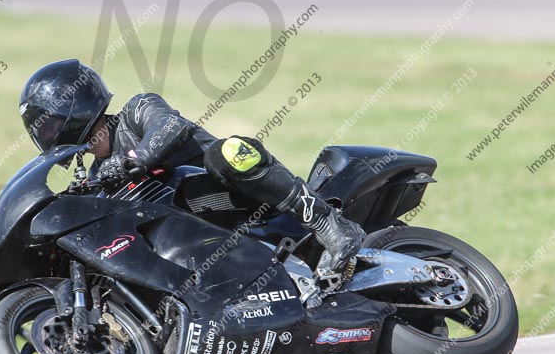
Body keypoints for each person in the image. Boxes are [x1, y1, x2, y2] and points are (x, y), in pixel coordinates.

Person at [19, 59, 364, 273]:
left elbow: (169, 126)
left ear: (74, 108)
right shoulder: (98, 177)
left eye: (48, 124)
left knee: (228, 151)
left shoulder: (137, 112)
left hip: (239, 196)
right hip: (209, 243)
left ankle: (326, 221)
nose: (47, 134)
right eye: (41, 130)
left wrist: (131, 161)